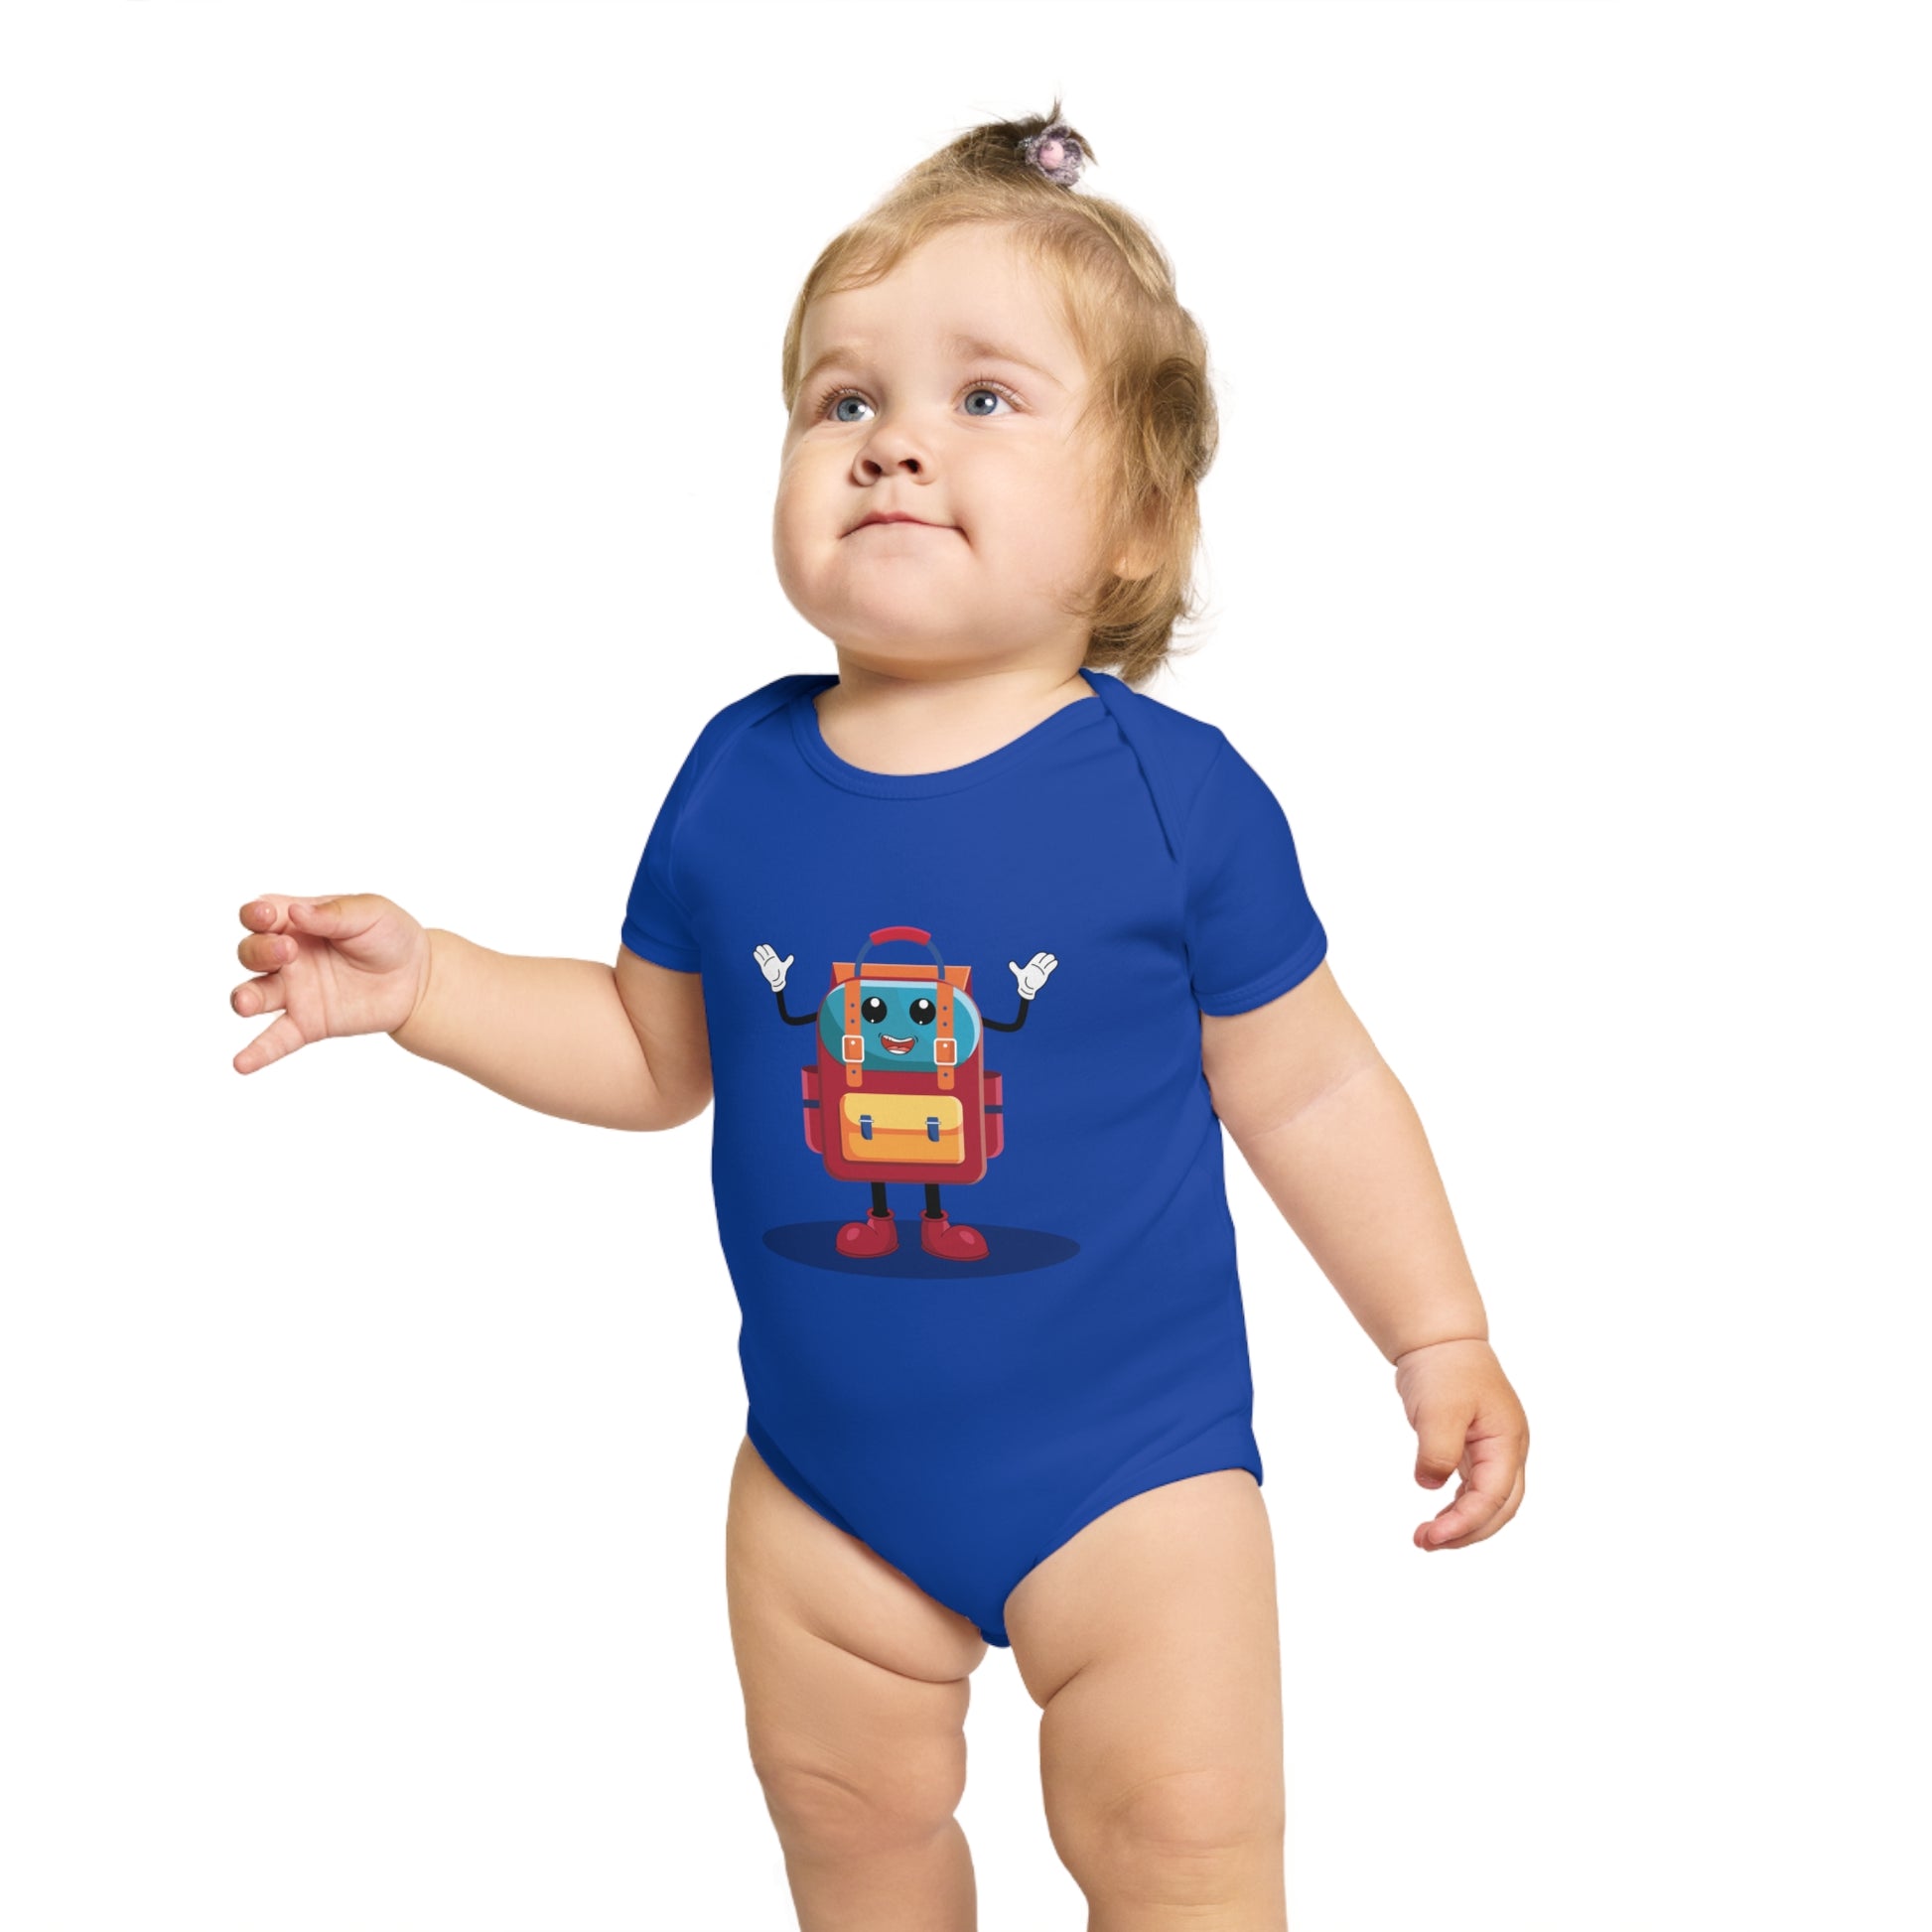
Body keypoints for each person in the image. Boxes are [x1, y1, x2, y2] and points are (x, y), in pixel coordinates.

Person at [231, 101, 1529, 1932]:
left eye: (983, 397)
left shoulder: (1177, 797)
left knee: (1182, 1851)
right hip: (822, 1489)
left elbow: (1309, 1089)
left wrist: (1435, 1331)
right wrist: (432, 982)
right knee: (851, 1844)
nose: (893, 438)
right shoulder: (735, 776)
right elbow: (651, 1051)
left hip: (1135, 1483)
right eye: (842, 399)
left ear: (1138, 521)